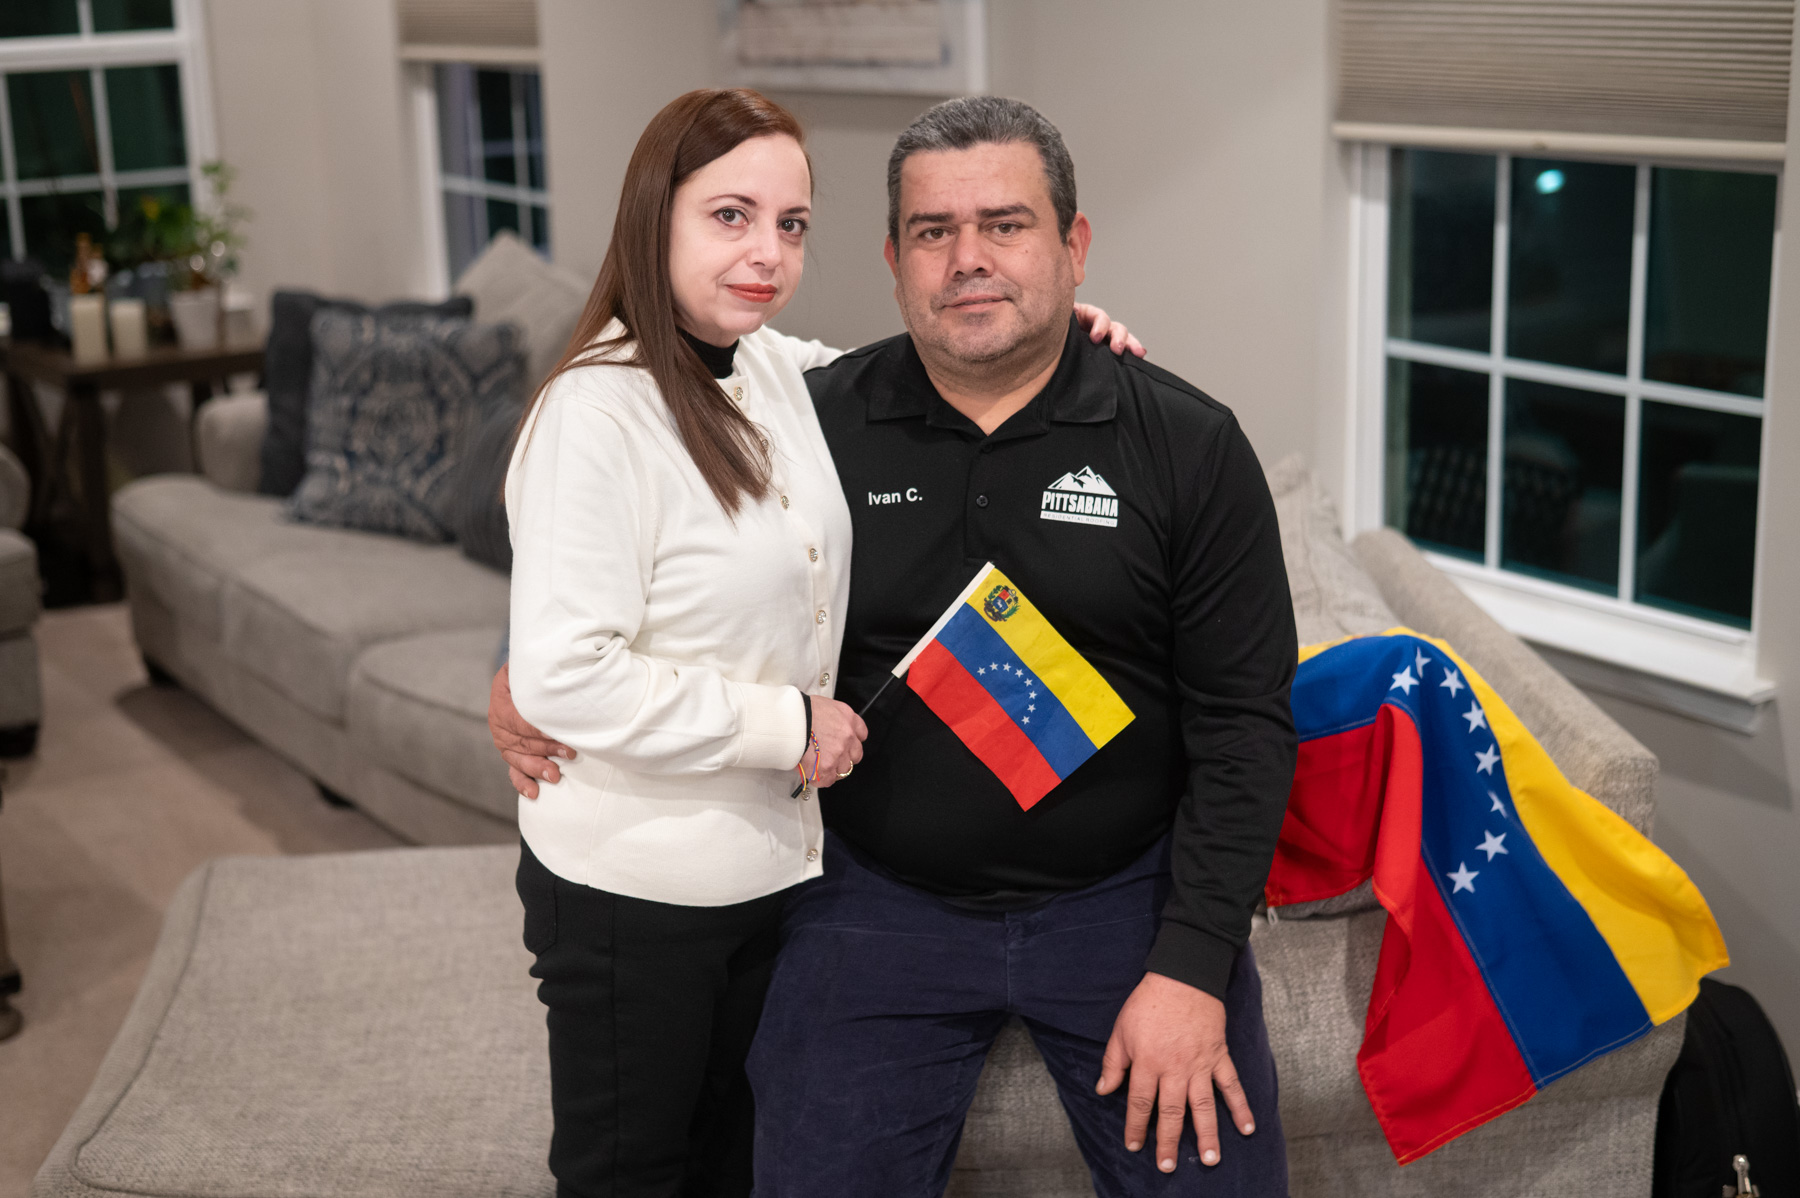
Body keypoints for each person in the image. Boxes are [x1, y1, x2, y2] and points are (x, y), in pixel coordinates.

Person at [497, 87, 1141, 1198]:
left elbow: (938, 354)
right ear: (655, 217)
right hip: (634, 887)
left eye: (791, 225)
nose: (766, 253)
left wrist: (1065, 338)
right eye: (730, 216)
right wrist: (786, 724)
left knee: (737, 1165)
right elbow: (566, 671)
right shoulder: (596, 413)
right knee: (632, 1173)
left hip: (777, 877)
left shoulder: (771, 372)